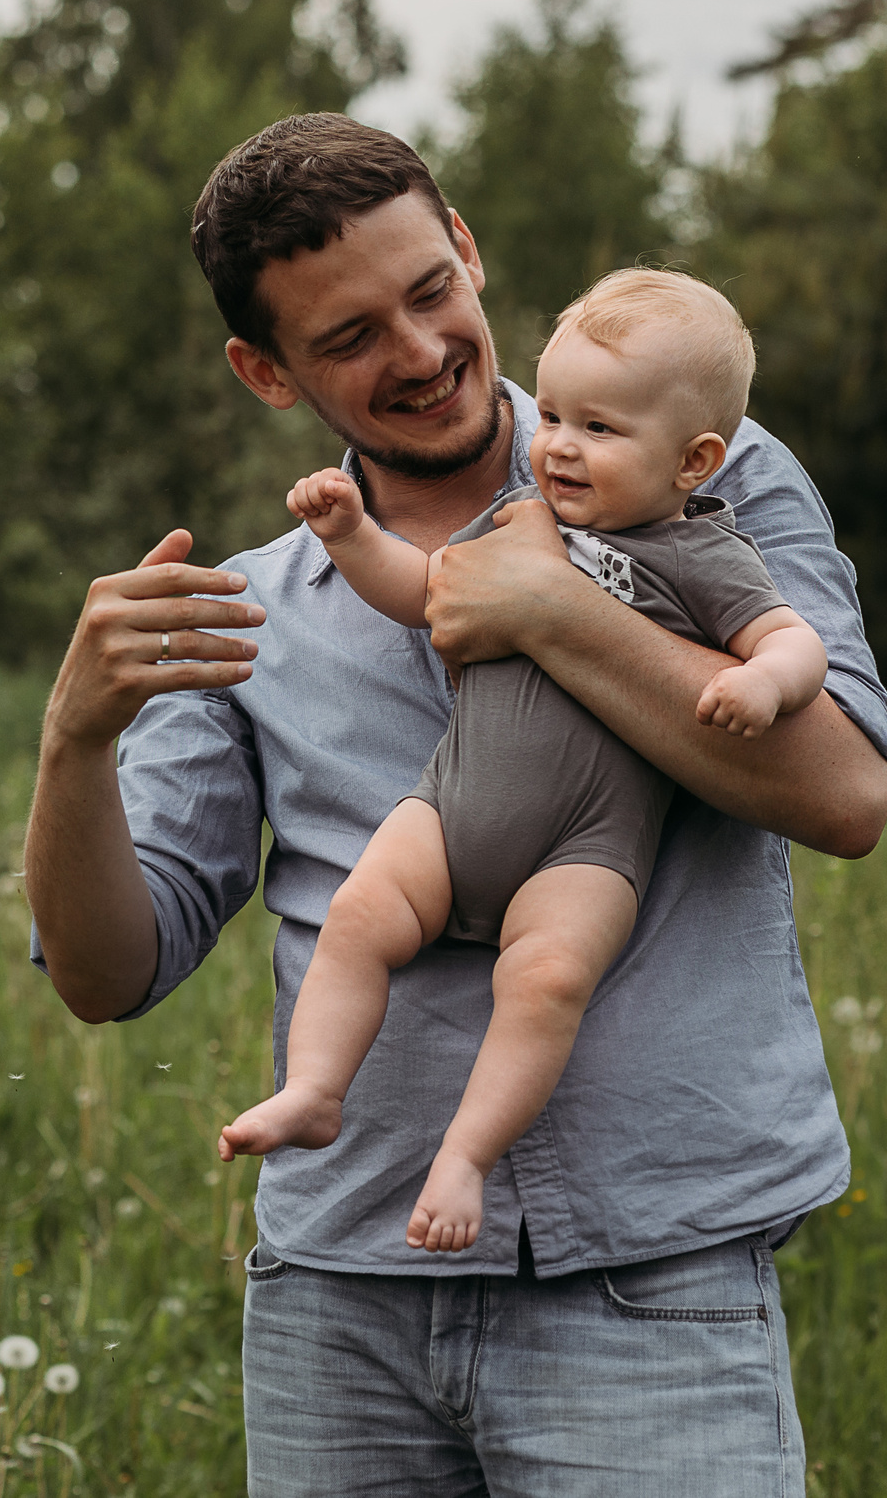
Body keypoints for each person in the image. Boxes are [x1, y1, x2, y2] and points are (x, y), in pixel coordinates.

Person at [23, 112, 887, 1495]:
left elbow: (846, 793)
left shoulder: (700, 464)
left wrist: (553, 609)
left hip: (649, 1282)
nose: (423, 350)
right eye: (350, 336)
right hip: (340, 1300)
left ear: (469, 249)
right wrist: (73, 742)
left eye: (431, 289)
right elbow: (104, 974)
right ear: (266, 372)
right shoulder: (248, 609)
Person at [217, 268, 832, 1256]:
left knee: (545, 982)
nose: (558, 446)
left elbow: (794, 642)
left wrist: (763, 684)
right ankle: (316, 1089)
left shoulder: (698, 554)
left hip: (586, 848)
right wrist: (351, 534)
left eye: (600, 428)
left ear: (694, 460)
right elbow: (424, 590)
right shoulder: (516, 521)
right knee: (360, 917)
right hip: (450, 808)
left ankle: (465, 1156)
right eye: (551, 416)